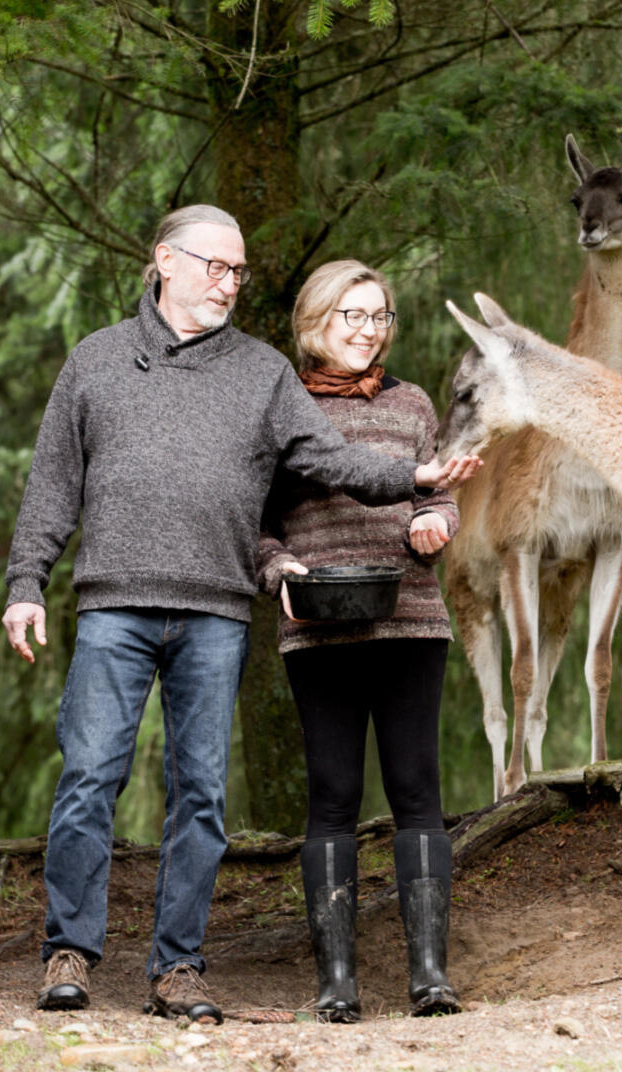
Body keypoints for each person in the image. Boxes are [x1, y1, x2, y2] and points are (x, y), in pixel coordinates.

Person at [1, 207, 479, 1024]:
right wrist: (25, 583)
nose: (229, 282)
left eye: (238, 271)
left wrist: (417, 472)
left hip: (217, 612)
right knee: (88, 778)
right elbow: (53, 483)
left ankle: (177, 968)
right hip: (114, 602)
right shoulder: (96, 362)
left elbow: (326, 457)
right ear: (164, 261)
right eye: (215, 266)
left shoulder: (262, 373)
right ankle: (67, 952)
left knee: (201, 798)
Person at [255, 260, 463, 1021]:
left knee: (417, 791)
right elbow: (257, 522)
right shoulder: (281, 409)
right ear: (316, 322)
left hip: (410, 617)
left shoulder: (411, 403)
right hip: (317, 629)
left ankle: (430, 976)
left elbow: (436, 493)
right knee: (333, 796)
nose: (368, 331)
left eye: (380, 317)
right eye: (353, 315)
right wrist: (277, 565)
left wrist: (434, 524)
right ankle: (336, 982)